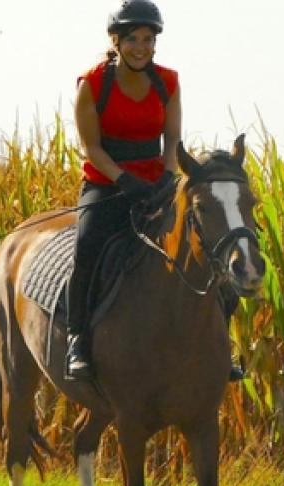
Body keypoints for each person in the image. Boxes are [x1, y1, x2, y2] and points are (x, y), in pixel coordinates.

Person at [66, 0, 180, 380]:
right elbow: (92, 148)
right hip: (108, 183)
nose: (141, 47)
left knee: (206, 242)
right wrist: (122, 179)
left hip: (155, 185)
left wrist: (166, 177)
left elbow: (173, 142)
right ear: (116, 41)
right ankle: (78, 340)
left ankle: (219, 345)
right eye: (133, 39)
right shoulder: (93, 83)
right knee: (86, 249)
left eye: (148, 39)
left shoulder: (168, 82)